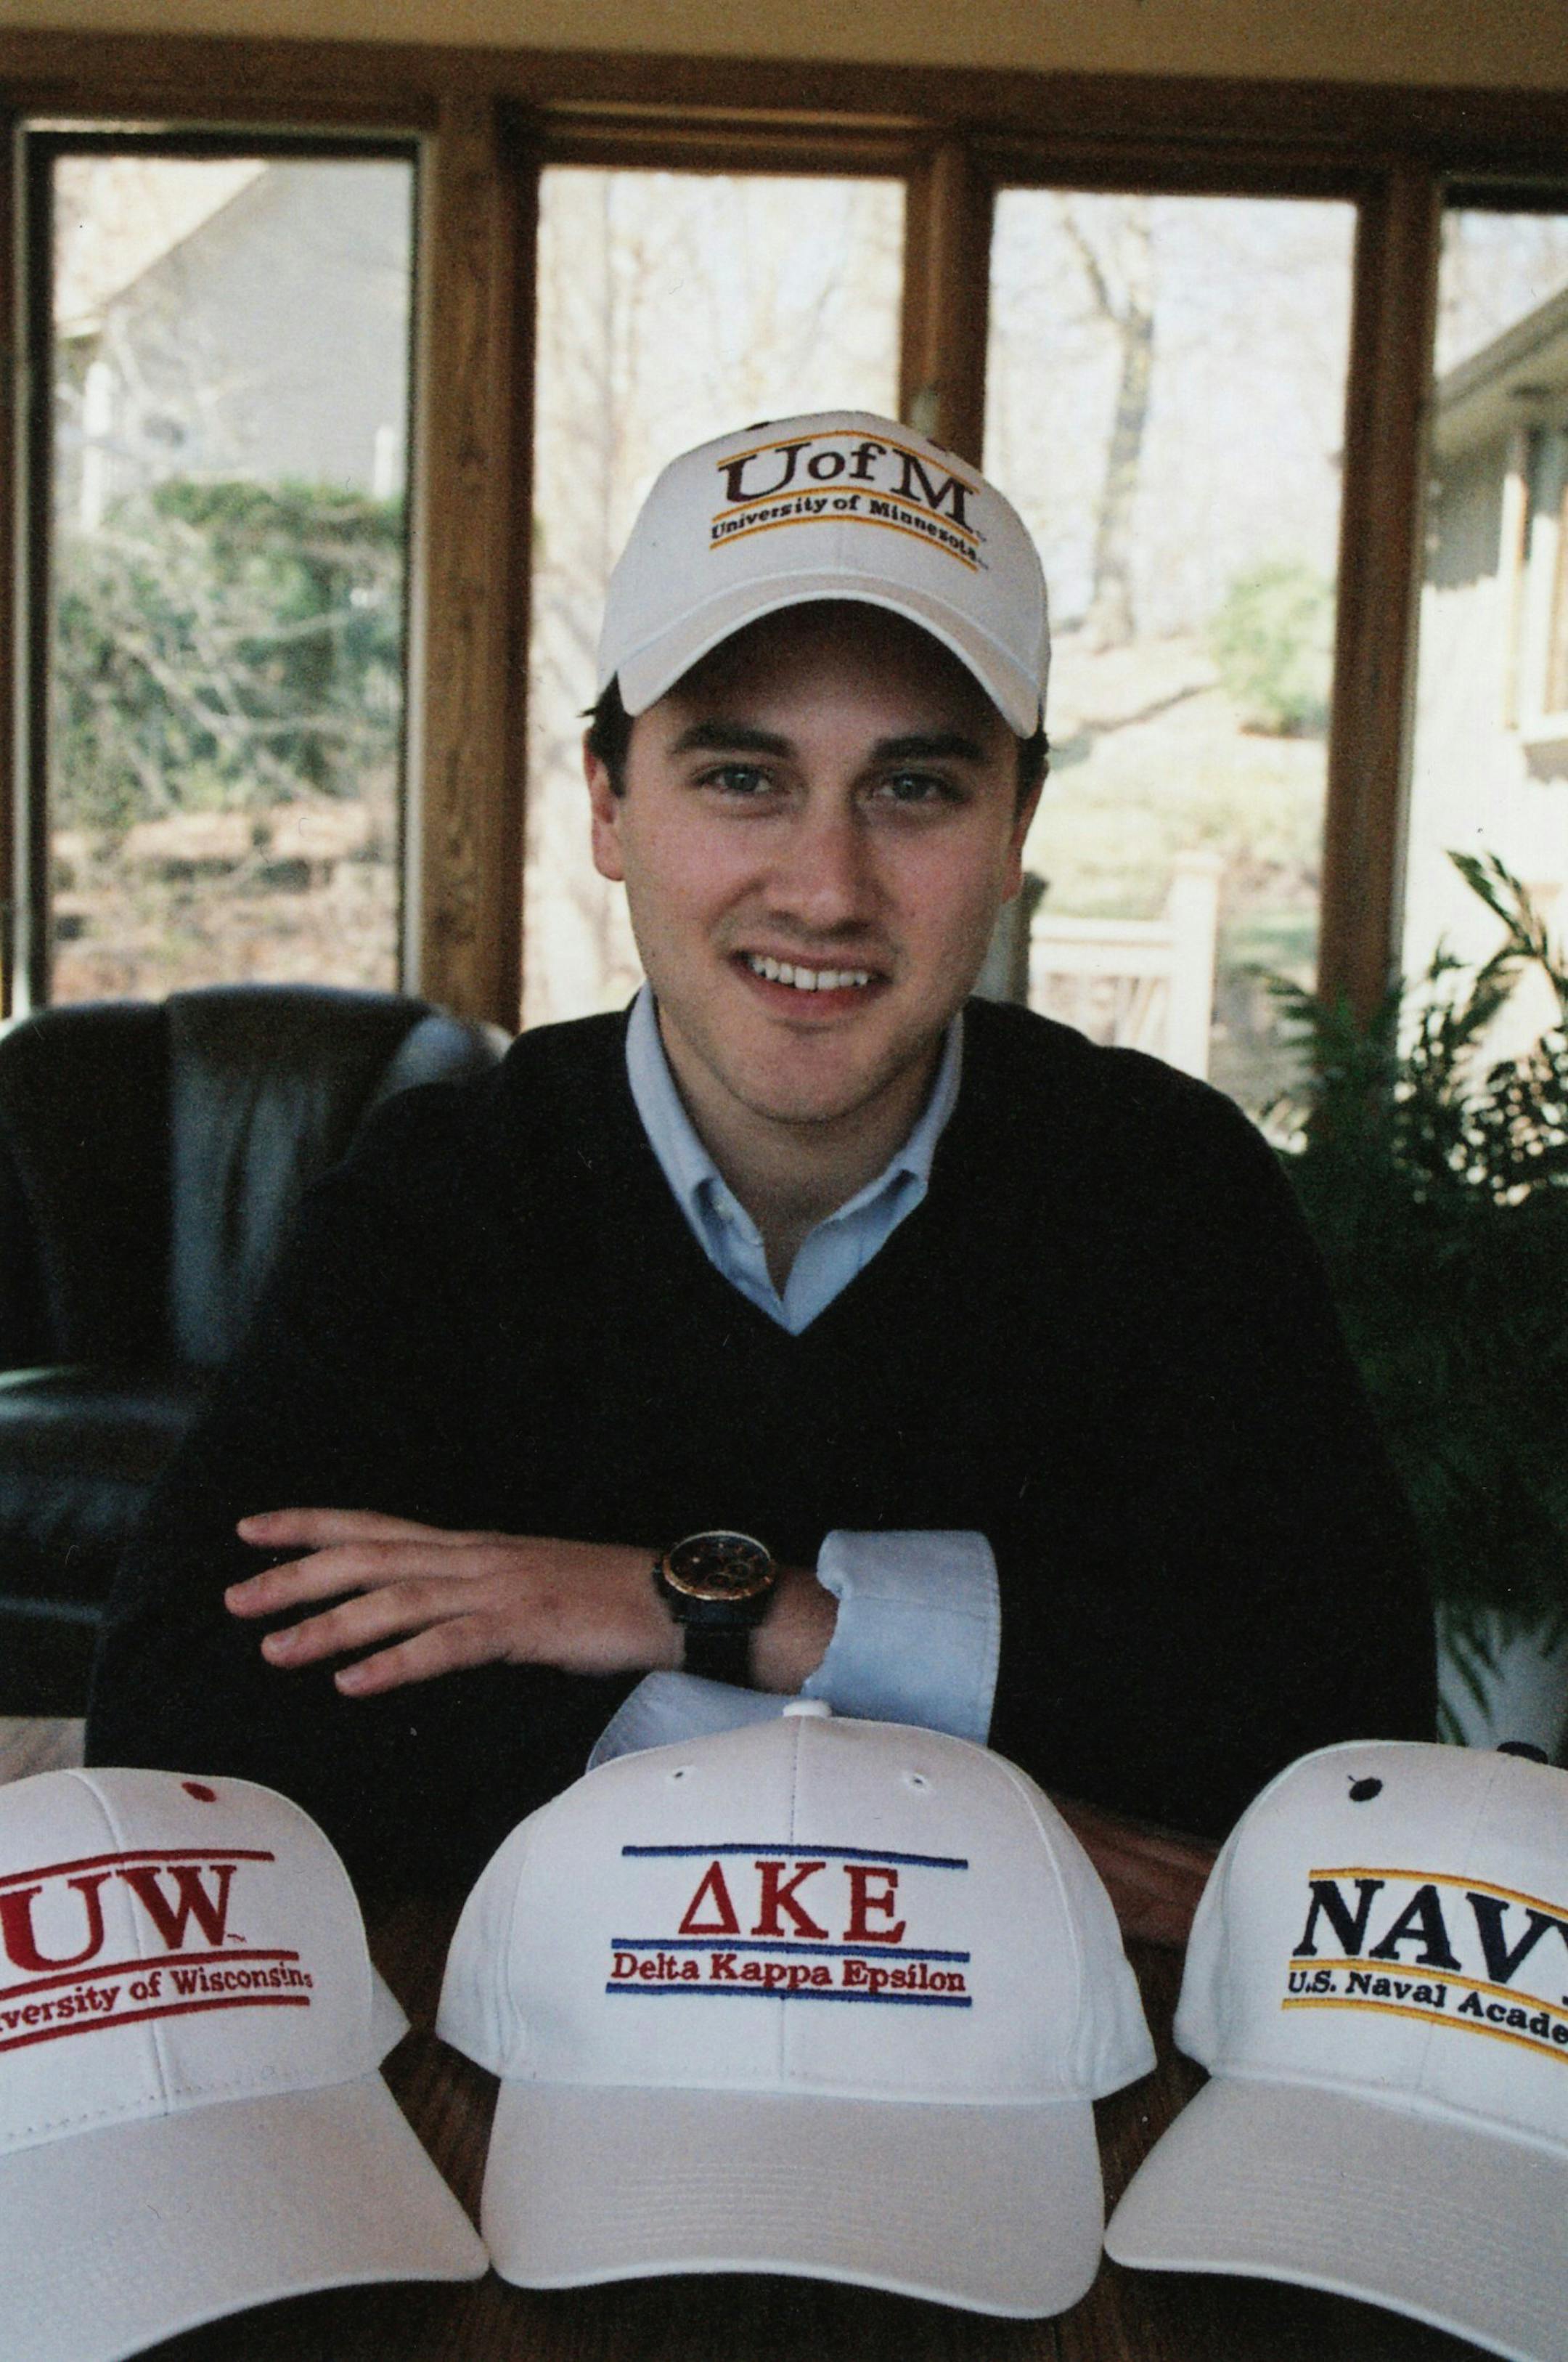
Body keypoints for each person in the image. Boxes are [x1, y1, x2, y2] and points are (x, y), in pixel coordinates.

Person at [87, 411, 1434, 1938]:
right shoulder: (449, 1189)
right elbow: (185, 1725)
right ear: (608, 802)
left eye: (915, 789)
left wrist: (697, 1612)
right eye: (742, 776)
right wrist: (992, 1829)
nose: (827, 886)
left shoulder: (1168, 1188)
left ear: (1017, 829)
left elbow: (1345, 1745)